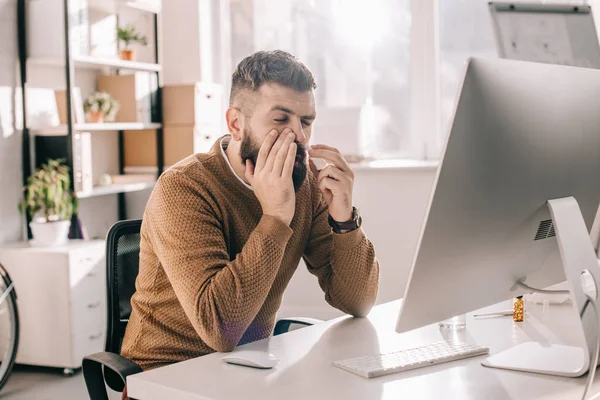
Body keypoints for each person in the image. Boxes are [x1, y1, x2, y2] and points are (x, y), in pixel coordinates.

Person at [120, 50, 379, 385]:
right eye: (281, 119)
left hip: (249, 371)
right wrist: (275, 216)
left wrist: (344, 220)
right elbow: (220, 329)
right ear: (236, 123)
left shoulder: (305, 186)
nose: (299, 136)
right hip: (165, 378)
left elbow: (358, 302)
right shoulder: (184, 188)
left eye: (306, 121)